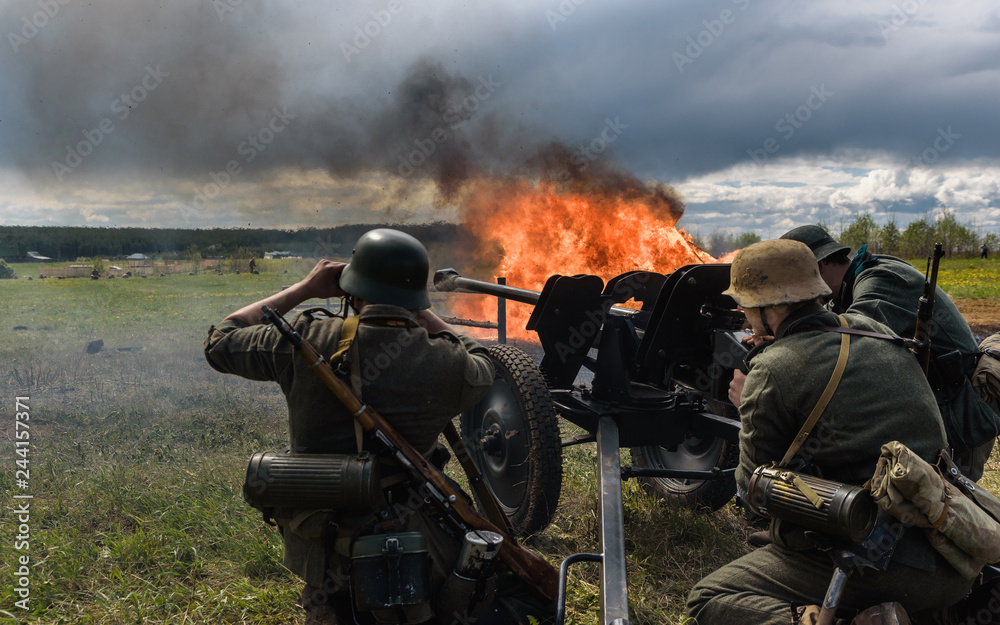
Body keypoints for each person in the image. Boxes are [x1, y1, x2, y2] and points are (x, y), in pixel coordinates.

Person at [205, 228, 551, 624]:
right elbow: (478, 358)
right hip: (416, 532)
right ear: (417, 297)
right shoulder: (450, 365)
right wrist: (419, 311)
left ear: (351, 290)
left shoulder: (304, 337)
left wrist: (303, 289)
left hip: (321, 537)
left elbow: (221, 340)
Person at [687, 240, 975, 625]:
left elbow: (751, 493)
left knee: (709, 598)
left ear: (768, 306)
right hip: (957, 548)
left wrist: (749, 403)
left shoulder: (772, 371)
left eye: (746, 302)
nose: (740, 311)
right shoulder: (871, 330)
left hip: (882, 564)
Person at [772, 225, 1000, 481]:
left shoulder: (881, 280)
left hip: (960, 411)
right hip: (939, 405)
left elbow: (845, 343)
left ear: (821, 265)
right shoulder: (850, 285)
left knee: (952, 507)